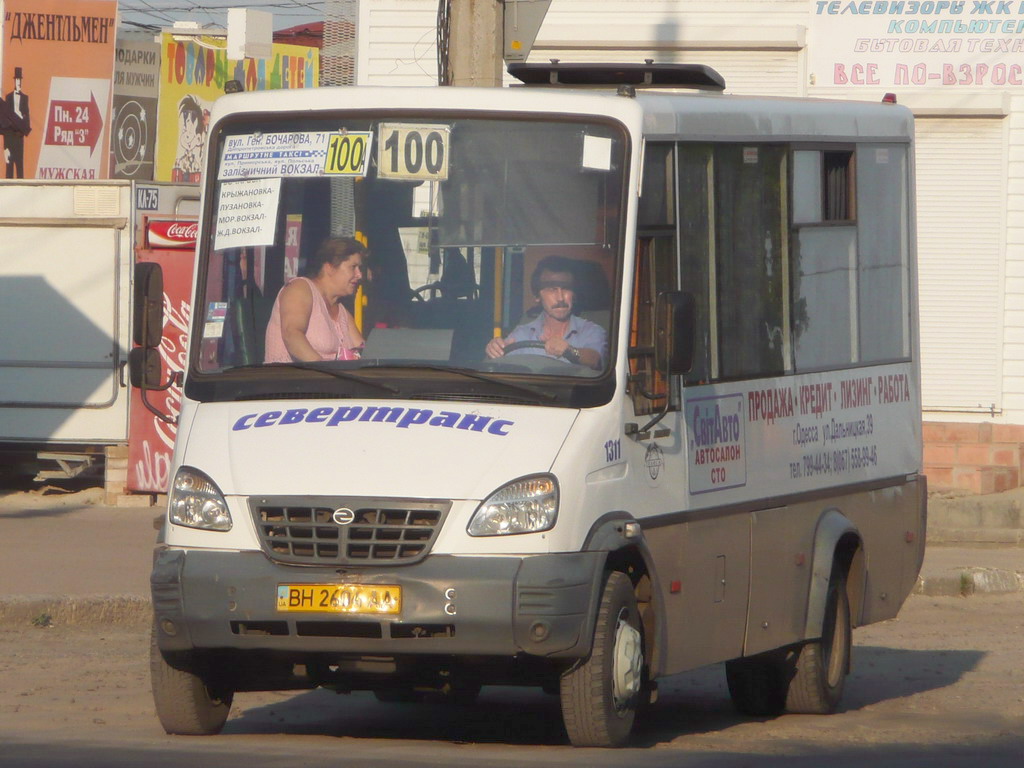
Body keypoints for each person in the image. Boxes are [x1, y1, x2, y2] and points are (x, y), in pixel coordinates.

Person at [485, 255, 607, 370]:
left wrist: (569, 351)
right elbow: (498, 366)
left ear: (574, 294)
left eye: (566, 288)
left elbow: (595, 359)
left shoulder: (591, 330)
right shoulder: (522, 333)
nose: (560, 298)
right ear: (537, 296)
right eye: (552, 289)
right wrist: (494, 350)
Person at [264, 237, 367, 363]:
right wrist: (328, 371)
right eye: (353, 267)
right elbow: (292, 335)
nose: (359, 275)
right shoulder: (300, 288)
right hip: (289, 380)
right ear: (329, 267)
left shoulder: (342, 311)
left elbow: (363, 352)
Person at [3, 67, 30, 179]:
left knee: (19, 165)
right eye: (17, 80)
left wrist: (24, 130)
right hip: (9, 137)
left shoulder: (24, 98)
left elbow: (27, 116)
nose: (18, 83)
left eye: (20, 80)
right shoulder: (8, 97)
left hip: (19, 136)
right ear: (14, 81)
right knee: (9, 166)